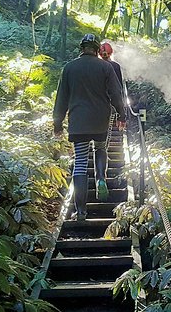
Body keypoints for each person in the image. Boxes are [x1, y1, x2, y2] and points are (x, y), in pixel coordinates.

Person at [53, 34, 126, 221]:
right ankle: (101, 177)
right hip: (101, 119)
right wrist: (121, 115)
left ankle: (81, 211)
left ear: (81, 47)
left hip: (78, 122)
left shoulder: (69, 68)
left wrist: (58, 123)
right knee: (100, 148)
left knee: (79, 164)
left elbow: (61, 97)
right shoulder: (106, 67)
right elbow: (116, 93)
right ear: (96, 49)